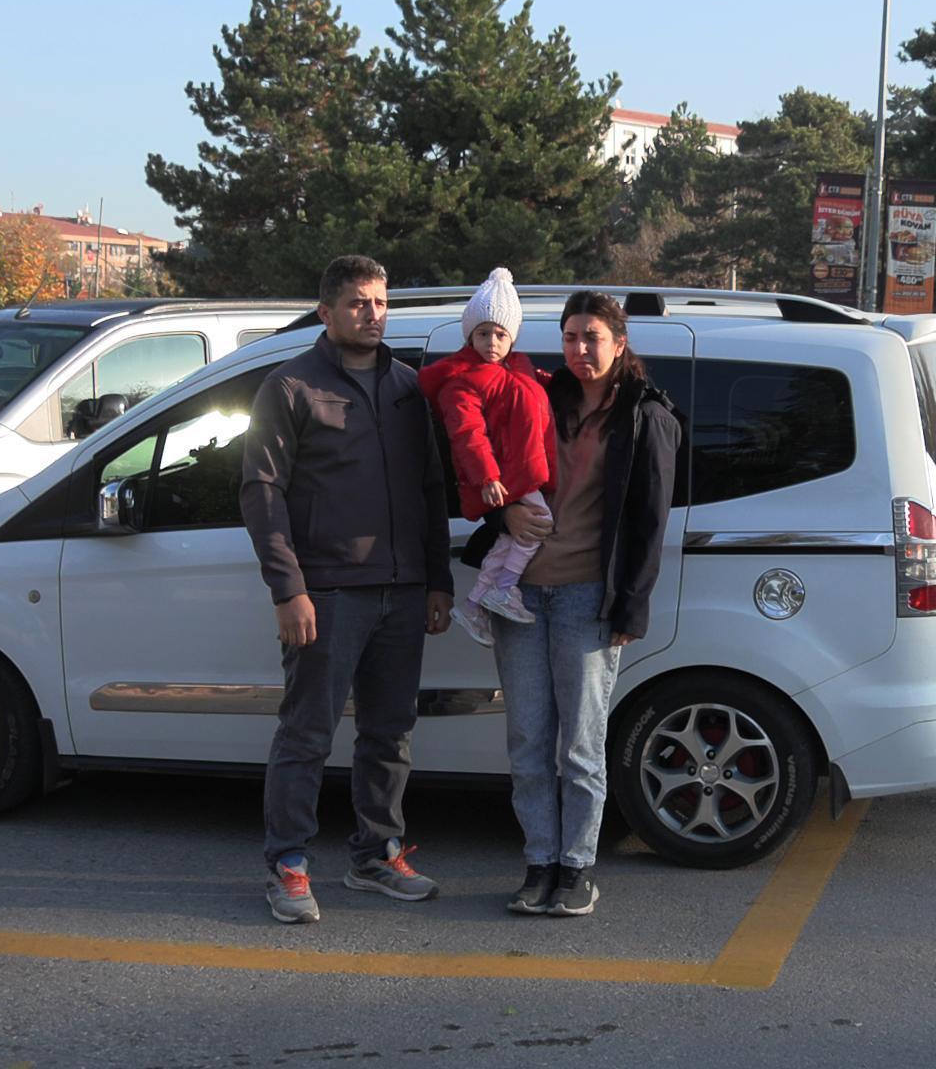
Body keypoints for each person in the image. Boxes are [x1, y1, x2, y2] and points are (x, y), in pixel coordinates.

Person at [238, 254, 455, 925]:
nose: (373, 314)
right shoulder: (290, 386)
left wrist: (437, 580)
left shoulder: (408, 387)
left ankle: (375, 855)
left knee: (390, 735)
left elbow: (431, 489)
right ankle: (288, 866)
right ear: (327, 311)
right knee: (306, 735)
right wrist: (288, 589)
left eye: (381, 303)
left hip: (402, 590)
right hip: (327, 594)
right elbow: (261, 491)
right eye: (359, 303)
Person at [473, 290, 679, 918]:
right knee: (527, 740)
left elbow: (650, 521)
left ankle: (577, 868)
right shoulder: (538, 395)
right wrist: (503, 512)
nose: (580, 348)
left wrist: (631, 606)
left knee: (581, 747)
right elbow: (491, 470)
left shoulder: (645, 415)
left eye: (593, 337)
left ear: (620, 343)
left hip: (588, 597)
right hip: (519, 594)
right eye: (570, 337)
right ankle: (539, 863)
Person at [416, 268, 554, 647]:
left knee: (509, 540)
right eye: (483, 333)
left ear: (513, 338)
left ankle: (476, 603)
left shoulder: (516, 370)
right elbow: (467, 435)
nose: (492, 342)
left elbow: (532, 388)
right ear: (469, 336)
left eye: (500, 334)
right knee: (540, 523)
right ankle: (503, 589)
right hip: (505, 479)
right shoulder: (461, 381)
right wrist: (488, 477)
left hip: (518, 474)